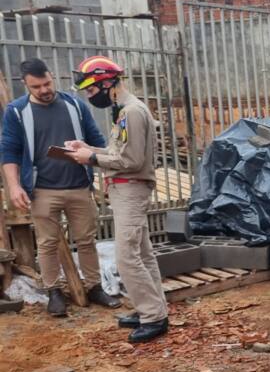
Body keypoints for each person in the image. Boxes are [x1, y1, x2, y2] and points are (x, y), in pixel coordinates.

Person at [1, 57, 120, 316]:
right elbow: (9, 152)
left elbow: (97, 142)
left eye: (47, 83)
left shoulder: (75, 105)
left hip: (79, 186)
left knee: (87, 240)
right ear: (25, 85)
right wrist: (14, 186)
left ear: (52, 76)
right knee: (47, 243)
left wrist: (101, 171)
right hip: (42, 190)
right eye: (36, 87)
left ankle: (94, 287)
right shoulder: (17, 112)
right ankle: (54, 292)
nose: (44, 90)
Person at [65, 56, 169, 343]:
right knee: (143, 255)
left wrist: (92, 159)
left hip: (131, 189)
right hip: (125, 188)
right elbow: (119, 152)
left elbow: (132, 160)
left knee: (127, 259)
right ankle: (152, 309)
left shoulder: (131, 112)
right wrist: (89, 148)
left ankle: (153, 317)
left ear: (107, 83)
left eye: (91, 89)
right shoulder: (125, 110)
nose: (89, 96)